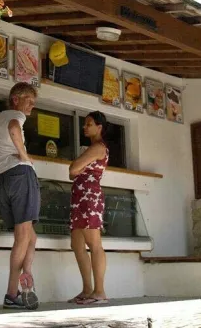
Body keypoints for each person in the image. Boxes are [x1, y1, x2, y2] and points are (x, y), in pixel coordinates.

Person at [0, 82, 40, 310]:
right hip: (20, 174)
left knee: (30, 236)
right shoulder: (15, 116)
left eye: (33, 102)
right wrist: (24, 155)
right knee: (22, 235)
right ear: (15, 99)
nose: (31, 105)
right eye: (28, 99)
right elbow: (13, 128)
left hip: (3, 178)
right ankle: (12, 293)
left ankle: (26, 276)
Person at [67, 111, 110, 305]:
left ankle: (99, 291)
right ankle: (87, 289)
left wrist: (78, 169)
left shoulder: (98, 147)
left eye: (89, 124)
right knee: (77, 244)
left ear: (99, 127)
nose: (85, 127)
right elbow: (73, 172)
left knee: (94, 244)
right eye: (85, 124)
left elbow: (73, 169)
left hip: (89, 198)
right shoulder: (92, 148)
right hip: (80, 199)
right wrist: (77, 170)